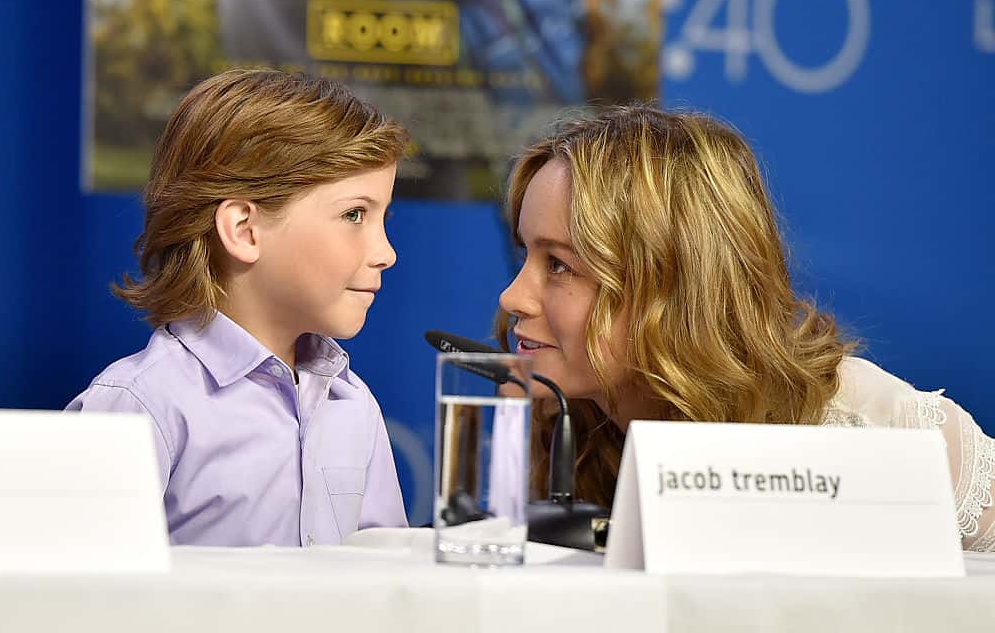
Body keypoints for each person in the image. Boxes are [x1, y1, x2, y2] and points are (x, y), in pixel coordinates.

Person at [495, 105, 995, 551]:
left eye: (559, 264)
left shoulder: (893, 436)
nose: (512, 297)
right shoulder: (572, 430)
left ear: (673, 285)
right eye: (525, 255)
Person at [68, 69, 410, 546]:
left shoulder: (354, 408)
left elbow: (388, 594)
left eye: (382, 218)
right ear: (244, 230)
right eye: (354, 214)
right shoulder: (140, 407)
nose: (386, 252)